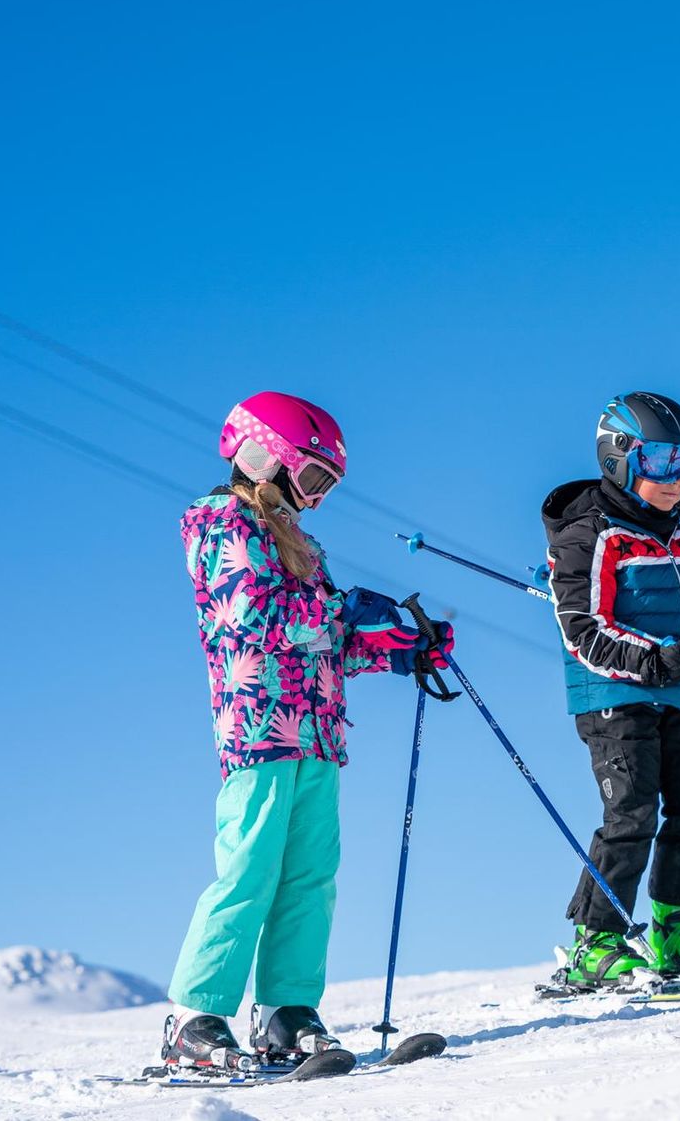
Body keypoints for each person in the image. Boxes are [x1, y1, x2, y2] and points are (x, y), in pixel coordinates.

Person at [164, 392, 453, 1072]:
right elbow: (257, 624)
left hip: (316, 734)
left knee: (311, 875)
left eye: (328, 485)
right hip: (260, 727)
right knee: (250, 870)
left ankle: (286, 1010)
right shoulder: (225, 524)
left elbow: (328, 643)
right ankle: (194, 1017)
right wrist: (348, 613)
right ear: (266, 456)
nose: (319, 498)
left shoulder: (298, 542)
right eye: (315, 478)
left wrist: (400, 648)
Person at [542, 392, 680, 987]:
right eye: (661, 461)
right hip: (613, 699)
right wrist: (656, 660)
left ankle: (677, 927)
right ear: (620, 456)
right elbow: (583, 630)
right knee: (631, 811)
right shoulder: (591, 533)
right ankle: (598, 940)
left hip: (675, 696)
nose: (677, 479)